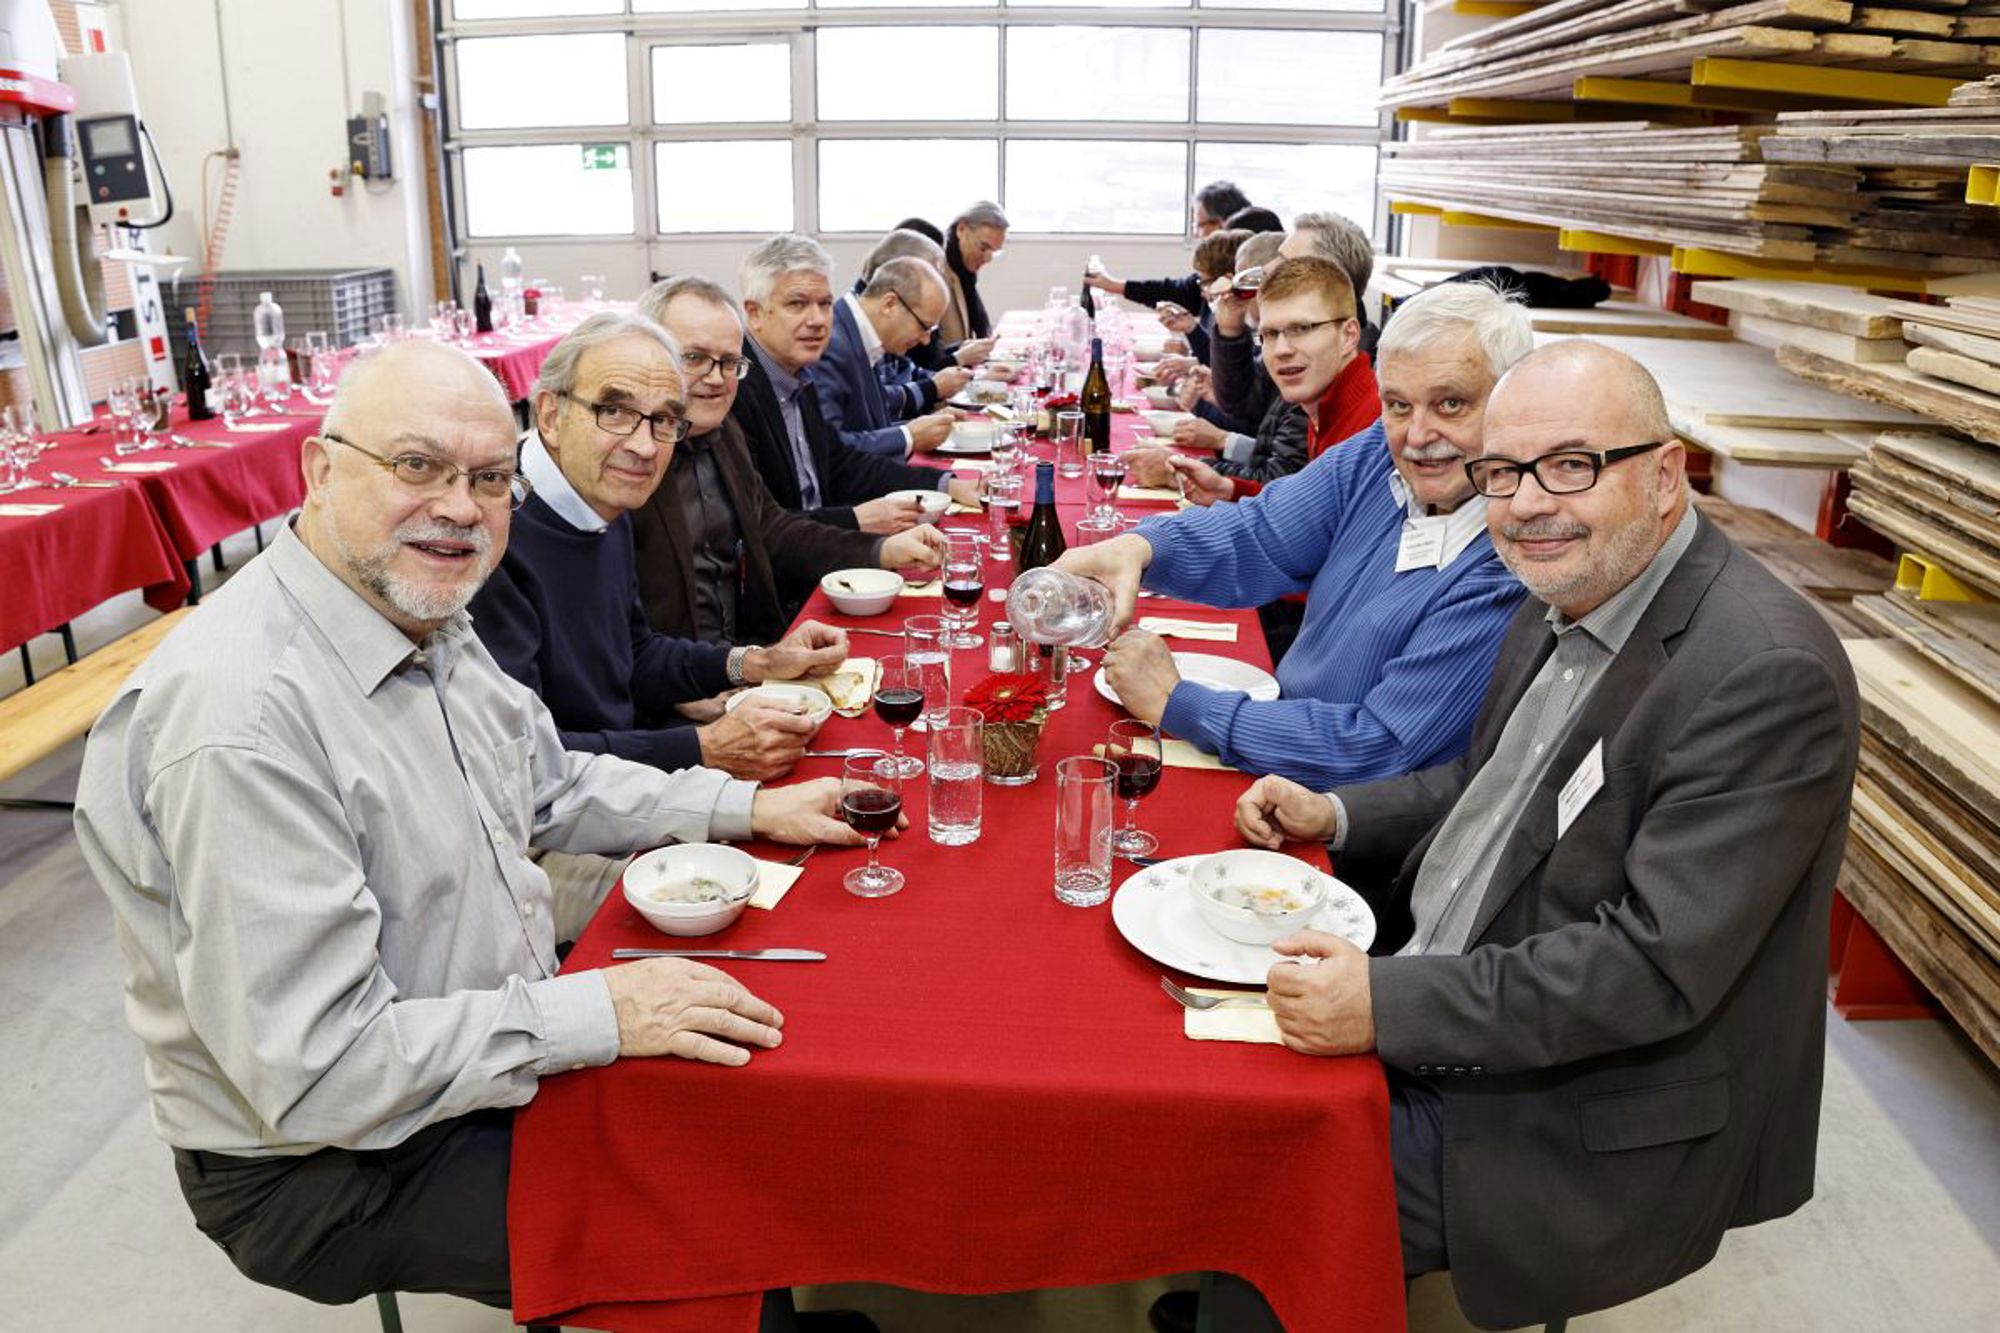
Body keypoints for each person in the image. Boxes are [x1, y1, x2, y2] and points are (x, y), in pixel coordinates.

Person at [72, 338, 885, 1320]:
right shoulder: (242, 723)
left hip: (471, 1035)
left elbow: (545, 782)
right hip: (326, 1163)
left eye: (489, 478)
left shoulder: (420, 610)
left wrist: (747, 806)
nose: (460, 506)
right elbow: (322, 1069)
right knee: (700, 1191)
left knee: (754, 1081)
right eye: (417, 465)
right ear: (319, 470)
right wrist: (599, 1011)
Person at [1226, 339, 1860, 1330]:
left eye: (1570, 464)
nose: (1525, 503)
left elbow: (1649, 968)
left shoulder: (1762, 673)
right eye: (1502, 471)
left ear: (1664, 475)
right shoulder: (1569, 580)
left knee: (1260, 1168)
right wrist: (1338, 812)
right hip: (1460, 984)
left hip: (1576, 1103)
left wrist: (1384, 1004)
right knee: (1204, 1055)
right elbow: (1491, 782)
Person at [1054, 281, 1533, 790]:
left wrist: (1178, 701)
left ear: (1513, 406)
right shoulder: (1378, 452)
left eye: (1451, 404)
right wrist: (1143, 547)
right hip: (1279, 745)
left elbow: (1375, 748)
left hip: (1325, 803)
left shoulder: (1507, 565)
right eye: (1397, 404)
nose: (1416, 435)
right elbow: (1260, 534)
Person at [468, 312, 868, 785]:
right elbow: (527, 761)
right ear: (552, 416)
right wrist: (704, 749)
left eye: (663, 420)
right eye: (615, 412)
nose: (644, 447)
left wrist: (757, 661)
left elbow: (635, 654)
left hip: (624, 772)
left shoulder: (599, 490)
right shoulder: (488, 535)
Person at [634, 275, 948, 644]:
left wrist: (882, 550)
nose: (716, 378)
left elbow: (773, 530)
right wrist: (738, 667)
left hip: (740, 653)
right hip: (688, 670)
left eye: (729, 362)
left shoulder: (723, 430)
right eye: (694, 358)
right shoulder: (632, 458)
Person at [732, 234, 980, 533]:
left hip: (822, 540)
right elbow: (760, 527)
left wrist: (945, 484)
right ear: (755, 314)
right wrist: (856, 521)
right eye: (797, 304)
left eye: (825, 304)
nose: (818, 320)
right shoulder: (735, 390)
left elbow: (841, 463)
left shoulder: (798, 375)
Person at [1129, 258, 1377, 507]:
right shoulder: (1323, 404)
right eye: (1269, 334)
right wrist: (1227, 489)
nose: (1281, 350)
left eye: (1301, 328)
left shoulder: (1372, 429)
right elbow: (1303, 506)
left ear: (1348, 336)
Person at [815, 256, 958, 460]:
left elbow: (871, 426)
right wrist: (908, 436)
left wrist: (926, 427)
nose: (926, 340)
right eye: (924, 327)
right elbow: (830, 450)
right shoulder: (831, 344)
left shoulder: (861, 333)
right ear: (889, 304)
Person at [1081, 180, 1253, 312]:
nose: (1196, 234)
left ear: (1221, 225)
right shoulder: (1224, 265)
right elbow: (1182, 290)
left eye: (1199, 225)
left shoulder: (1245, 277)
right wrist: (1114, 285)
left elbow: (1184, 293)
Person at [852, 228, 974, 411]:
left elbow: (907, 371)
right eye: (930, 274)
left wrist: (970, 382)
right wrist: (932, 388)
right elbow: (877, 404)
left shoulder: (885, 319)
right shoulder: (856, 324)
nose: (925, 340)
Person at [938, 199, 1008, 350]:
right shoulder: (937, 273)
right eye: (983, 247)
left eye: (993, 252)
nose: (988, 259)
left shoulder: (965, 274)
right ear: (961, 229)